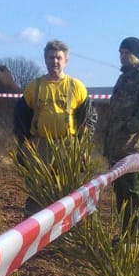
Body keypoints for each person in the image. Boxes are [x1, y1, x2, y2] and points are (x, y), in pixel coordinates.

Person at [14, 40, 92, 213]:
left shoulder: (77, 87)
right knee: (37, 191)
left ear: (66, 61)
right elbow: (20, 117)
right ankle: (34, 225)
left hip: (68, 146)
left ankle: (67, 227)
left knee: (67, 192)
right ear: (45, 60)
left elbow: (88, 119)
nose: (54, 61)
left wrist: (83, 148)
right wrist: (23, 145)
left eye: (58, 58)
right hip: (40, 146)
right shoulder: (34, 87)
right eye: (50, 58)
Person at [102, 37, 139, 242]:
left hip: (133, 147)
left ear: (137, 54)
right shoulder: (124, 77)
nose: (123, 56)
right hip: (117, 147)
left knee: (133, 193)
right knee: (122, 193)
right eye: (121, 52)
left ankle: (135, 239)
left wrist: (127, 128)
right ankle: (126, 235)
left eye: (127, 52)